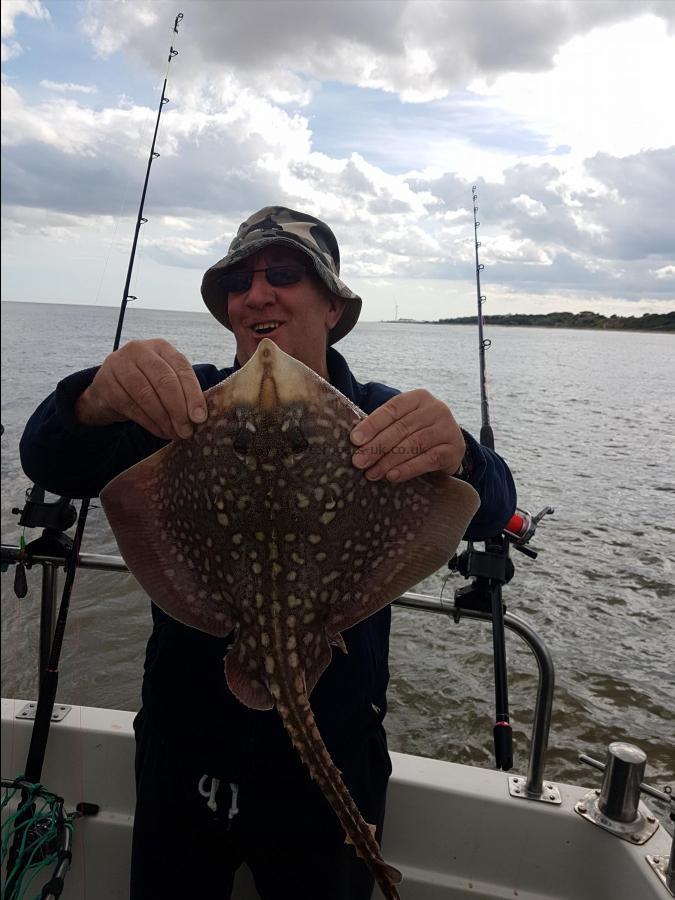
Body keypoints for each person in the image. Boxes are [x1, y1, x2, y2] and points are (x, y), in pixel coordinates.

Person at [21, 206, 517, 900]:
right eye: (237, 282)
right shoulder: (177, 407)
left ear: (334, 305)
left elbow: (491, 505)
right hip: (182, 748)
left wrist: (463, 455)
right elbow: (51, 461)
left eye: (283, 274)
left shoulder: (377, 419)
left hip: (333, 755)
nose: (256, 293)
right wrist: (92, 398)